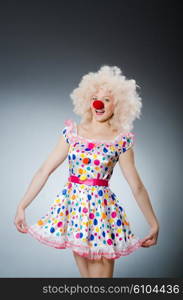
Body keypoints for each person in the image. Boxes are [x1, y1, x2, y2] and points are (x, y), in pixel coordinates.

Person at [14, 65, 159, 278]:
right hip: (75, 211)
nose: (98, 103)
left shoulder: (121, 139)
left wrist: (153, 223)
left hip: (101, 212)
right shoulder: (73, 133)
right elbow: (45, 170)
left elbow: (136, 186)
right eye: (94, 97)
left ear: (117, 104)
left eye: (107, 99)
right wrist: (22, 206)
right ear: (87, 101)